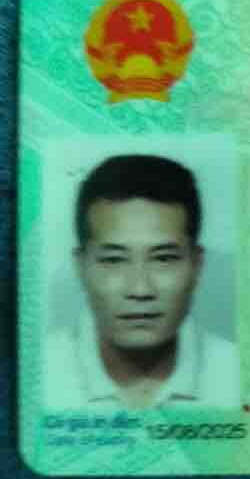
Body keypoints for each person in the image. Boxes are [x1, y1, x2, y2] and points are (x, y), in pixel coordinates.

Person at [45, 154, 238, 410]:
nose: (140, 289)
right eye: (114, 260)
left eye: (164, 259)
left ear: (197, 265)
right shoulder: (36, 376)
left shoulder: (241, 377)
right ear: (80, 267)